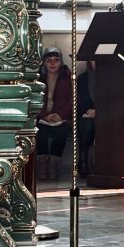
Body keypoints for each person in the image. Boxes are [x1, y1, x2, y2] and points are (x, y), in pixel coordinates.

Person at [36, 46, 73, 180]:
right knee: (40, 134)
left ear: (61, 62)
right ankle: (41, 167)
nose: (52, 64)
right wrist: (44, 115)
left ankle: (53, 167)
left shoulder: (68, 78)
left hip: (61, 118)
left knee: (60, 134)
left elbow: (73, 100)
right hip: (41, 118)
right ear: (43, 63)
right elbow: (33, 100)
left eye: (56, 60)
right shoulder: (37, 79)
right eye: (49, 60)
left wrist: (60, 115)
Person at [77, 59, 96, 177]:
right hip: (87, 113)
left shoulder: (112, 77)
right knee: (87, 126)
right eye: (94, 60)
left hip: (107, 113)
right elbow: (80, 99)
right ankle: (84, 162)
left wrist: (100, 110)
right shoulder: (83, 78)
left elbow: (112, 97)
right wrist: (88, 110)